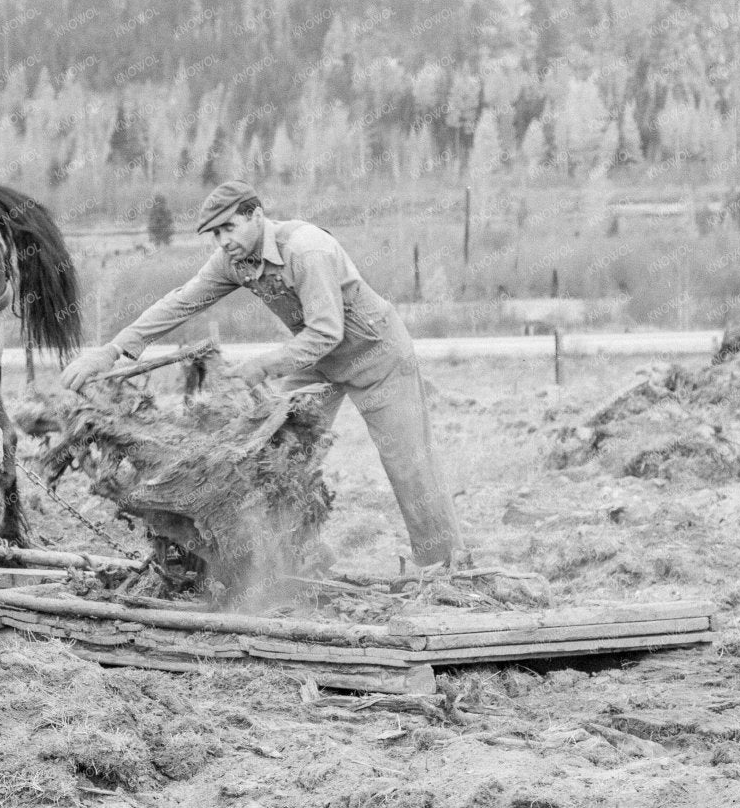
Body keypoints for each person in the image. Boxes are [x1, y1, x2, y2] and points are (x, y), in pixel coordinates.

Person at [60, 180, 466, 568]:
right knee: (276, 455)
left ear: (256, 215)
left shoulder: (307, 250)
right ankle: (290, 561)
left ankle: (445, 565)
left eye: (229, 228)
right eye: (215, 234)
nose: (223, 241)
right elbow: (181, 302)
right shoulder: (233, 260)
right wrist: (112, 351)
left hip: (376, 356)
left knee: (407, 461)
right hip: (315, 361)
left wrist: (261, 367)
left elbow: (327, 331)